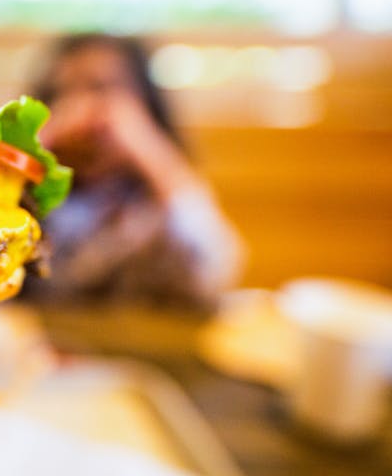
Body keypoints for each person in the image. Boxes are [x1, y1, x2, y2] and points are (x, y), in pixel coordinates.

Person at [29, 34, 243, 307]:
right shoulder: (41, 202)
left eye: (103, 89)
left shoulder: (160, 197)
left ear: (144, 99)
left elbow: (215, 273)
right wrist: (35, 152)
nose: (80, 110)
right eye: (61, 92)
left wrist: (154, 155)